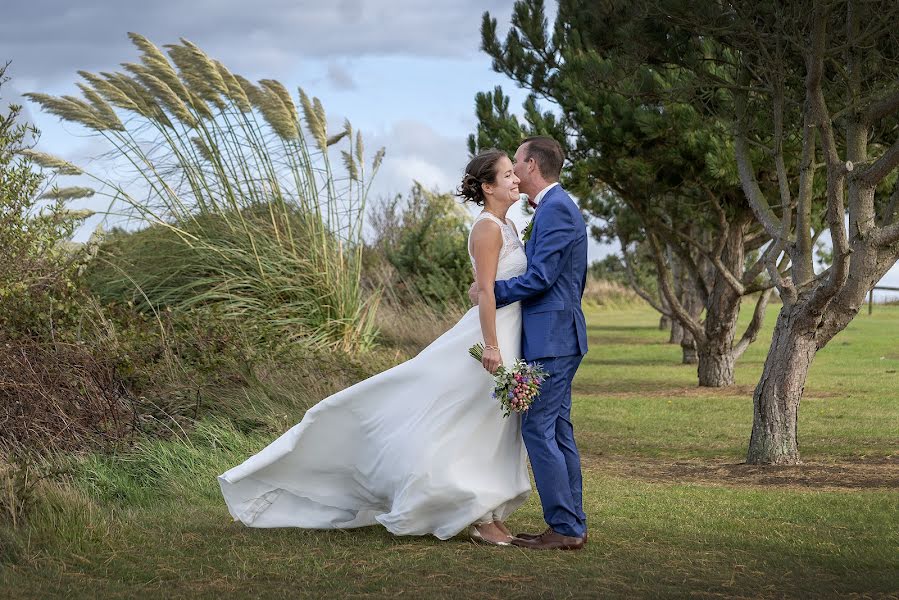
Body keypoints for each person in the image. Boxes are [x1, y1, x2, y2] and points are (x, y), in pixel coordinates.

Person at [219, 149, 530, 546]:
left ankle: (488, 509)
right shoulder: (486, 228)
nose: (516, 179)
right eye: (507, 175)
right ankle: (471, 510)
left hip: (510, 329)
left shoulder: (510, 227)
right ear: (487, 187)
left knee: (491, 422)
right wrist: (490, 345)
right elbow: (484, 290)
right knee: (466, 419)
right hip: (491, 336)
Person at [469, 136, 589, 551]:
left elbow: (541, 278)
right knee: (556, 430)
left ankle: (566, 527)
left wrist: (489, 292)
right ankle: (571, 523)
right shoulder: (552, 209)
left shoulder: (556, 210)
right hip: (551, 334)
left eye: (516, 162)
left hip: (553, 337)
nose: (514, 170)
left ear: (532, 165)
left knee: (539, 430)